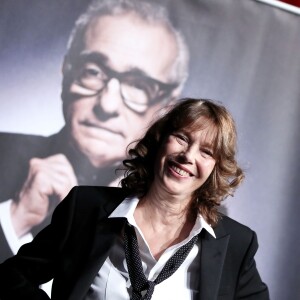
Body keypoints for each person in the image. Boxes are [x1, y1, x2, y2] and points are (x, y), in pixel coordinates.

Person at [0, 98, 269, 299]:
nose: (188, 156)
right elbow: (12, 277)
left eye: (206, 152)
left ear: (215, 168)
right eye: (181, 138)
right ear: (159, 141)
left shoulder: (236, 243)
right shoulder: (85, 207)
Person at [0, 0, 189, 263]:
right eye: (93, 71)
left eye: (138, 86)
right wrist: (13, 220)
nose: (106, 105)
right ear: (66, 72)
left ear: (167, 106)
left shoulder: (188, 212)